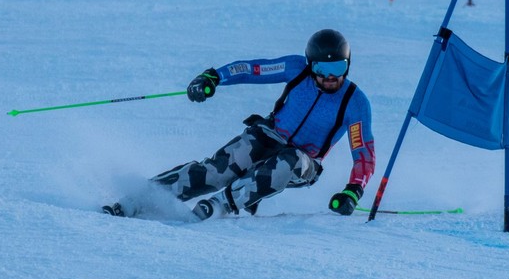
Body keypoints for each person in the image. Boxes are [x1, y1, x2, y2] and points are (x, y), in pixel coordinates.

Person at [102, 29, 376, 220]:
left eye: (338, 69)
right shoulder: (296, 69)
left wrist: (353, 190)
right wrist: (213, 77)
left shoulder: (355, 103)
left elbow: (363, 153)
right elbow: (252, 69)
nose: (330, 78)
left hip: (305, 162)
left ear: (348, 66)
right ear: (310, 65)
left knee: (289, 160)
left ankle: (222, 204)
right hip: (269, 135)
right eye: (321, 70)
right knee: (217, 171)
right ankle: (139, 199)